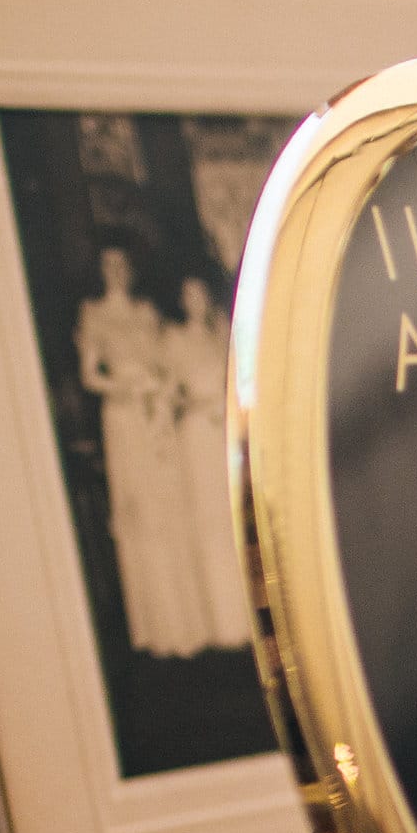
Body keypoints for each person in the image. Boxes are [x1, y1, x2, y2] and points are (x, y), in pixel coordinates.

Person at [73, 247, 206, 657]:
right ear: (101, 270)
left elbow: (166, 365)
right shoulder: (93, 314)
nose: (115, 270)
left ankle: (192, 623)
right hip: (125, 418)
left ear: (130, 269)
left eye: (121, 263)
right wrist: (129, 389)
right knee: (142, 512)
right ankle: (159, 627)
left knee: (170, 507)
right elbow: (90, 377)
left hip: (155, 415)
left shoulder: (147, 313)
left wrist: (161, 389)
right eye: (108, 264)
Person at [168, 277, 256, 652]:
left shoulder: (219, 335)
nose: (197, 302)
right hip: (198, 435)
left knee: (230, 516)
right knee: (208, 521)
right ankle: (221, 622)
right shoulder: (174, 340)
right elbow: (171, 394)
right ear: (183, 301)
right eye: (190, 296)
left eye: (202, 295)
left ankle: (246, 615)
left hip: (222, 431)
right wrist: (201, 407)